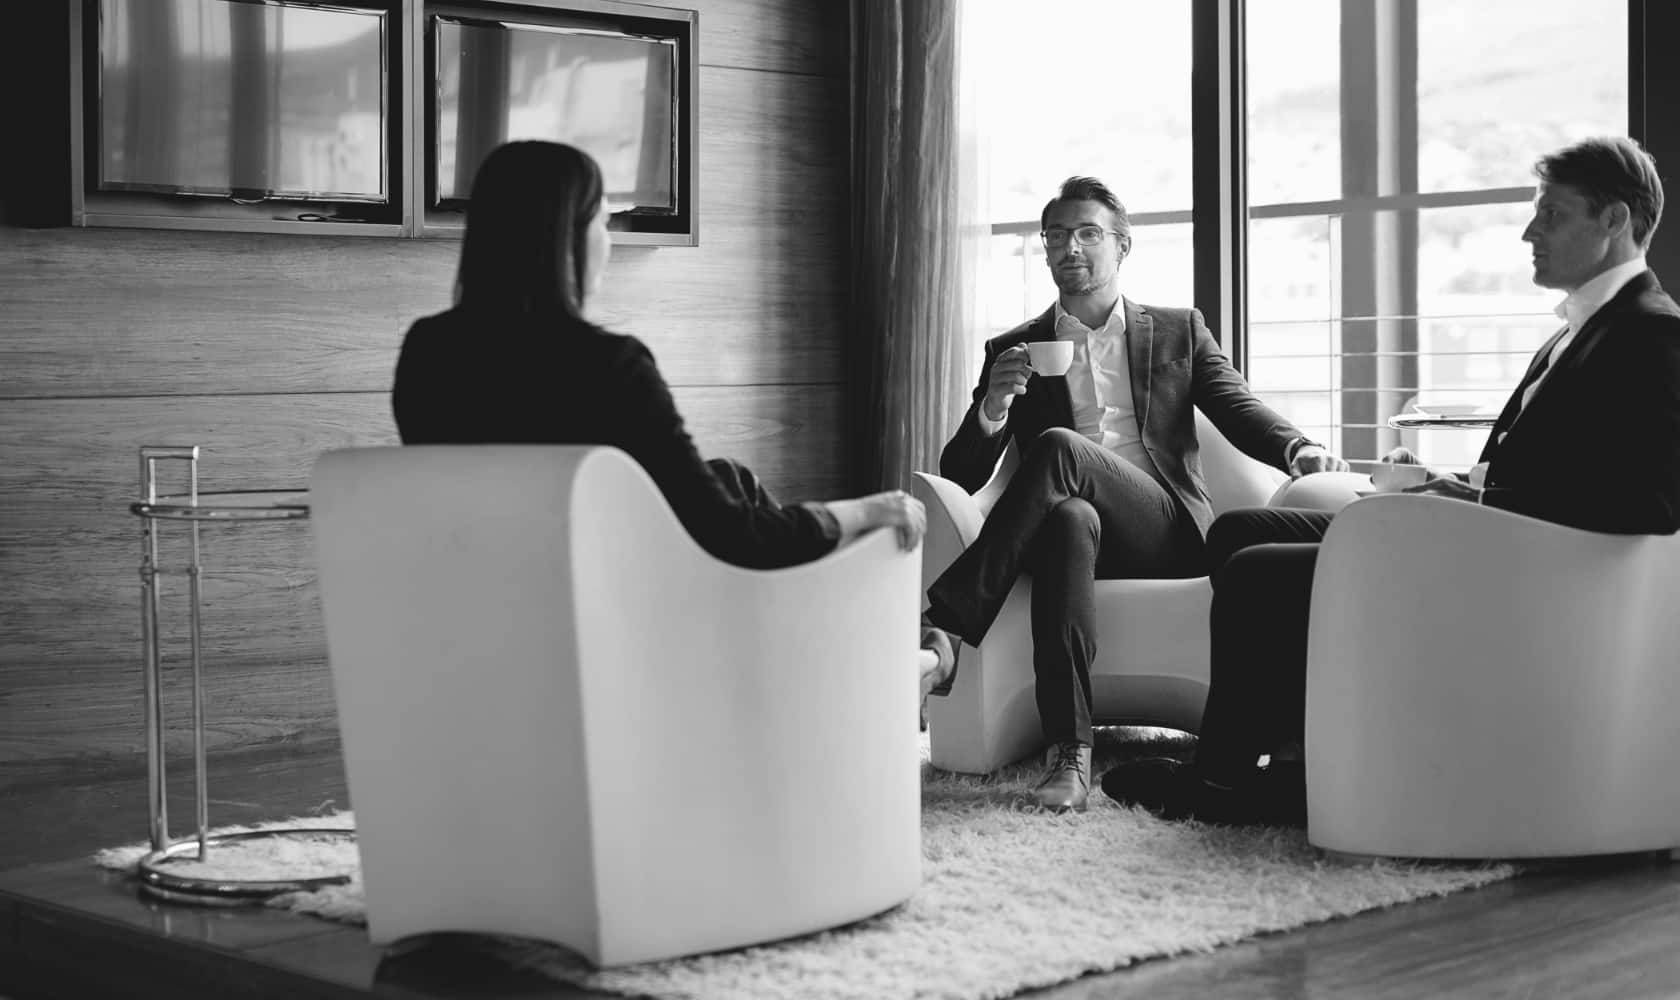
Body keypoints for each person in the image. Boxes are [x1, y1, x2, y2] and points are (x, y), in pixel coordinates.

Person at [1101, 134, 1680, 825]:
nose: (1529, 230)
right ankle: (1300, 756)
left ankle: (1220, 782)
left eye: (1551, 214)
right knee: (1239, 529)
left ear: (1615, 220)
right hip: (1483, 538)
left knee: (1258, 572)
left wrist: (1471, 501)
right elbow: (1557, 466)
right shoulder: (1583, 330)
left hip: (1511, 575)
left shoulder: (1650, 336)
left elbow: (1648, 500)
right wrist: (1447, 481)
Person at [393, 140, 941, 688]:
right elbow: (734, 539)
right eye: (603, 222)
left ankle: (895, 651)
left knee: (729, 479)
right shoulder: (608, 368)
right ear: (566, 235)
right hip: (633, 651)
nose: (607, 242)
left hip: (487, 645)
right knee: (736, 498)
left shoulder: (425, 356)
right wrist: (864, 512)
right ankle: (887, 659)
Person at [918, 175, 1350, 813]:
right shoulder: (1012, 348)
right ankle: (1071, 755)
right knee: (1067, 516)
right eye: (1056, 236)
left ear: (1122, 247)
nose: (1070, 248)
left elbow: (1237, 407)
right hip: (1073, 538)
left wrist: (1298, 448)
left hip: (1166, 530)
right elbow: (961, 474)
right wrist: (992, 406)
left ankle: (946, 632)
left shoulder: (1177, 330)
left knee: (1062, 446)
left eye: (1088, 234)